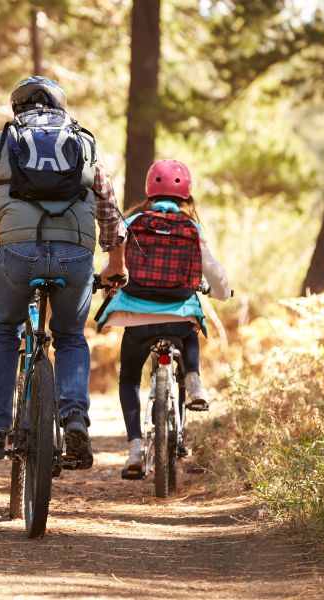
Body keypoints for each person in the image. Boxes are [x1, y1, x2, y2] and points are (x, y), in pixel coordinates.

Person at [0, 75, 127, 469]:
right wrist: (116, 262)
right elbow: (109, 207)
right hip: (75, 254)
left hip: (18, 253)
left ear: (17, 109)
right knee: (71, 337)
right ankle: (74, 416)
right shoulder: (85, 142)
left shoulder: (1, 143)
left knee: (4, 330)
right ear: (61, 107)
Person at [97, 159, 231, 478]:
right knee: (190, 328)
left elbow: (114, 265)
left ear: (149, 190)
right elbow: (213, 271)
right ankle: (194, 379)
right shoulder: (191, 227)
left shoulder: (132, 222)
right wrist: (223, 293)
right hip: (177, 314)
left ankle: (133, 450)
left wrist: (107, 293)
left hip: (137, 315)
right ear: (186, 193)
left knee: (129, 378)